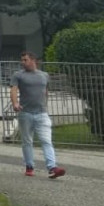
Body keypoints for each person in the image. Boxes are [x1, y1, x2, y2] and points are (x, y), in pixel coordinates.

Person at [10, 51, 66, 179]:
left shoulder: (44, 75)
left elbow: (45, 90)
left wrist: (45, 104)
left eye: (25, 60)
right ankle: (29, 166)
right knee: (27, 141)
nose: (22, 62)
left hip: (42, 113)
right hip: (25, 113)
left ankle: (52, 167)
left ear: (33, 60)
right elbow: (13, 90)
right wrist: (15, 103)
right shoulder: (18, 75)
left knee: (46, 141)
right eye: (22, 60)